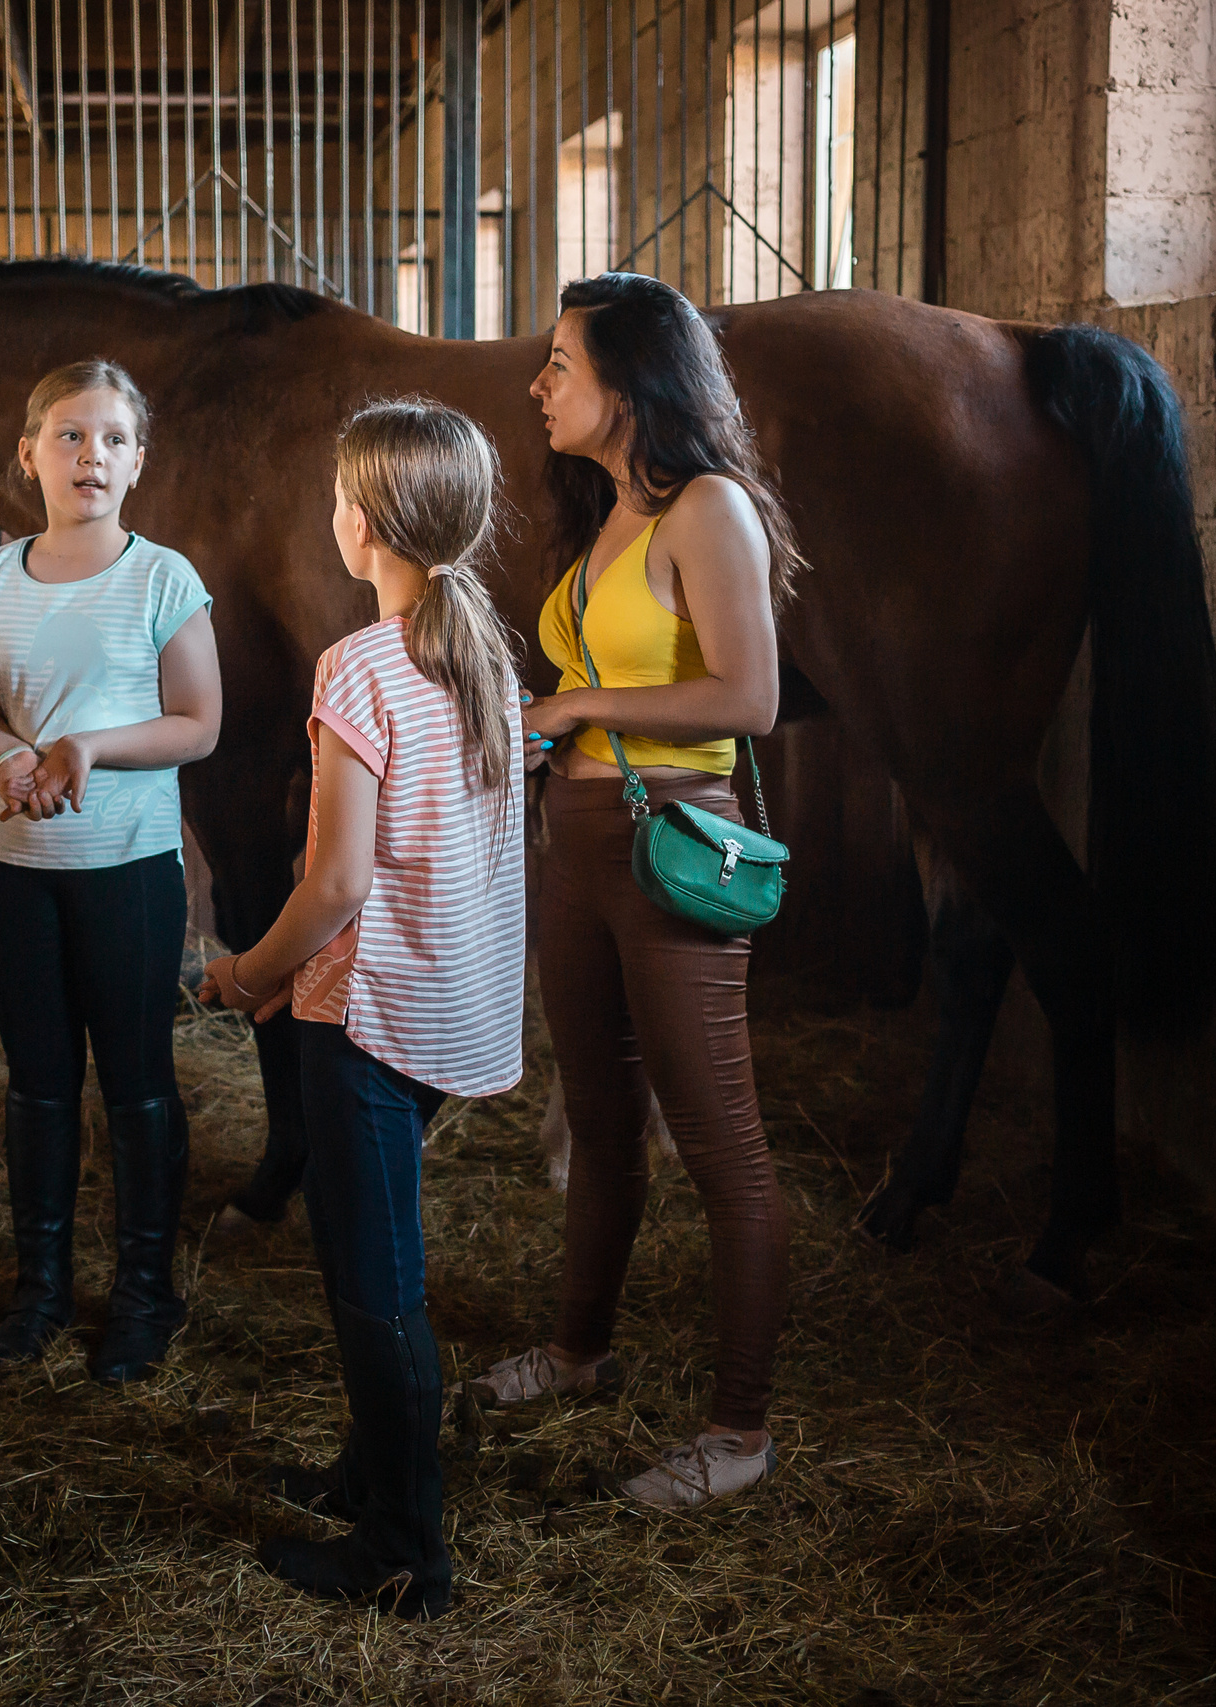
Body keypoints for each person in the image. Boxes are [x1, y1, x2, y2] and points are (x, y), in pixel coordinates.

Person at [462, 272, 804, 1509]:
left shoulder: (708, 510)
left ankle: (738, 1434)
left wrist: (583, 705)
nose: (539, 385)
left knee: (722, 1148)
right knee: (598, 1125)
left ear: (633, 379)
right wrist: (545, 736)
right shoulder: (608, 511)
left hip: (673, 844)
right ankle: (579, 1352)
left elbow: (748, 699)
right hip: (582, 843)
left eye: (561, 363)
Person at [200, 399, 527, 1620]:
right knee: (359, 1251)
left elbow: (336, 884)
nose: (331, 514)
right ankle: (370, 1473)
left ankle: (405, 1551)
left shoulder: (362, 666)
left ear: (367, 519)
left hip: (366, 1015)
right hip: (444, 1004)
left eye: (341, 495)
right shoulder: (479, 653)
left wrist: (246, 972)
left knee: (375, 1284)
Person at [0, 359, 221, 1384]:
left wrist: (92, 748)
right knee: (39, 1087)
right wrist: (8, 756)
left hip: (128, 870)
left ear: (138, 462)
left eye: (112, 439)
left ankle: (147, 1296)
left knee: (139, 1085)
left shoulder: (161, 578)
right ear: (28, 455)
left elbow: (200, 724)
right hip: (20, 869)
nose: (90, 456)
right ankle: (42, 1290)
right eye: (69, 436)